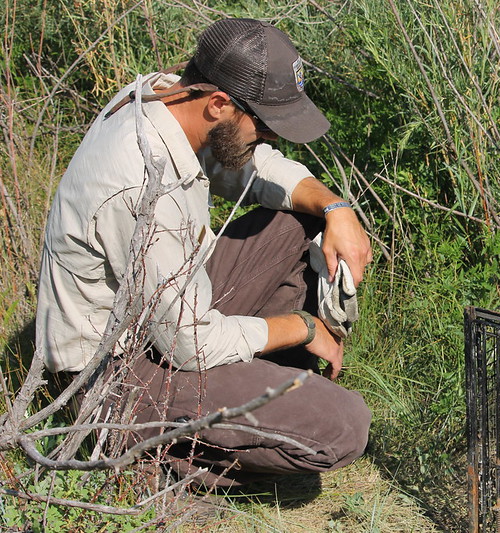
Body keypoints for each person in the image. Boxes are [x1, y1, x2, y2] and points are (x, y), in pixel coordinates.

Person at [35, 18, 372, 487]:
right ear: (218, 103)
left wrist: (337, 209)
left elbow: (253, 168)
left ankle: (255, 393)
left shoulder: (166, 95)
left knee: (301, 216)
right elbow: (190, 344)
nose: (272, 137)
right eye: (267, 125)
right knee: (343, 426)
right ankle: (154, 461)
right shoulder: (140, 180)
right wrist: (304, 328)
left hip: (162, 316)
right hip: (113, 372)